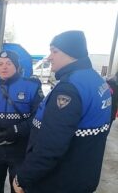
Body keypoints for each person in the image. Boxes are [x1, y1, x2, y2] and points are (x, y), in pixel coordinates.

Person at [13, 31, 112, 193]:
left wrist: (23, 178)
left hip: (57, 182)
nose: (50, 57)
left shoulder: (70, 88)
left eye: (54, 51)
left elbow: (51, 146)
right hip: (81, 177)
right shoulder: (95, 81)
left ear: (71, 53)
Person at [0, 50, 44, 193]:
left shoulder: (31, 87)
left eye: (8, 63)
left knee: (18, 187)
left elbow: (39, 116)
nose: (4, 67)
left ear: (17, 66)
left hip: (20, 149)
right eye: (0, 64)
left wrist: (16, 130)